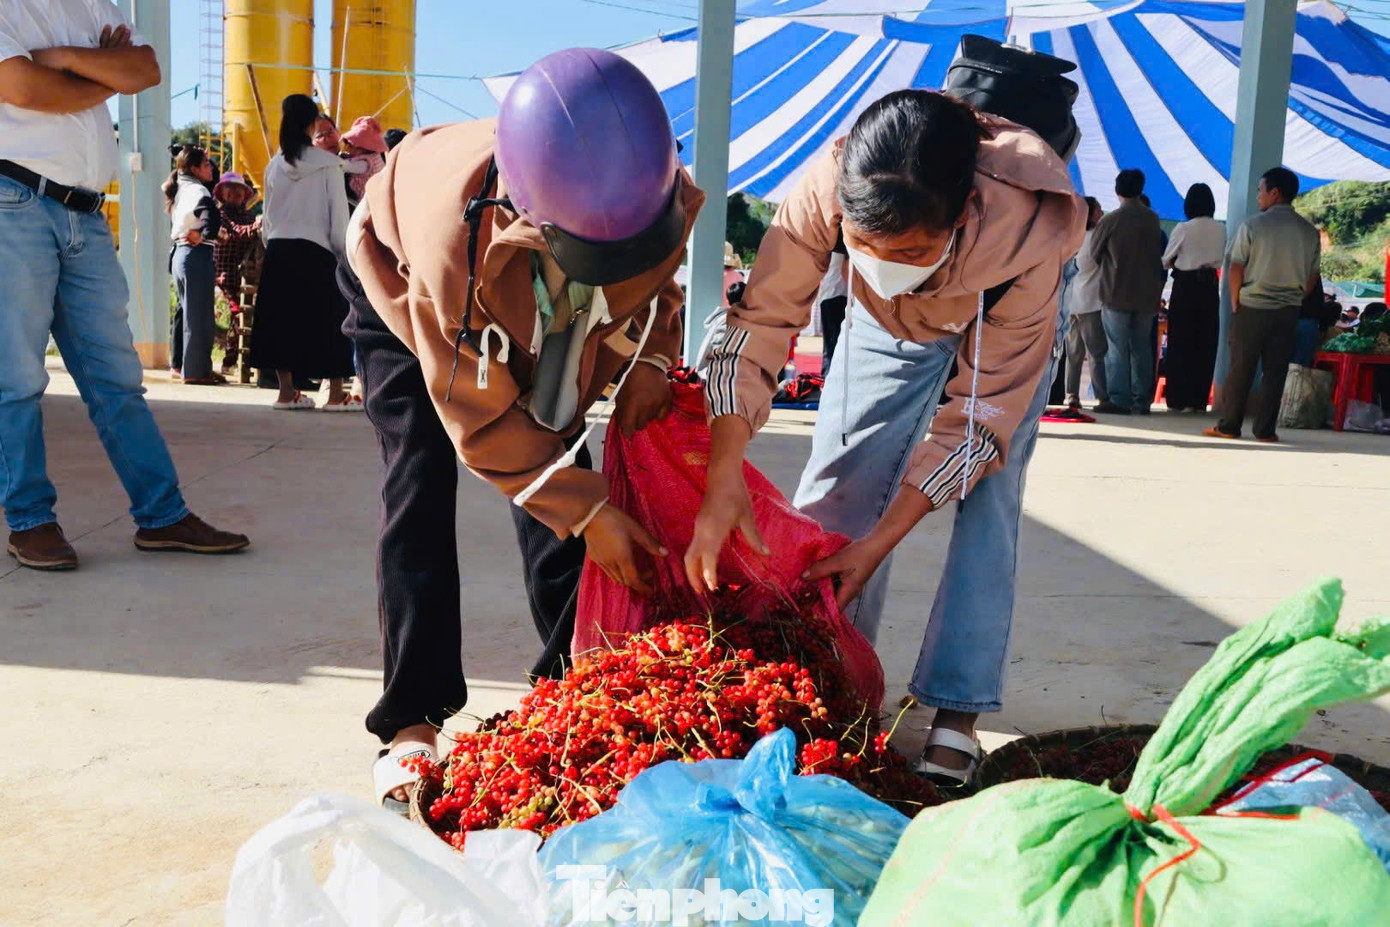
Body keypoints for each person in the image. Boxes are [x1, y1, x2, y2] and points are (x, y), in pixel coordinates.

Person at [689, 90, 1086, 785]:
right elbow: (761, 322)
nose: (883, 263)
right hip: (883, 325)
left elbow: (977, 421)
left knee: (989, 505)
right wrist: (723, 473)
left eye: (909, 251)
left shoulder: (1029, 235)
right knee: (839, 489)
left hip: (998, 317)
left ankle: (957, 710)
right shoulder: (829, 186)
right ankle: (830, 681)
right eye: (863, 244)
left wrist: (881, 542)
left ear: (962, 214)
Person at [341, 48, 702, 809]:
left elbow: (655, 280)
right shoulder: (452, 247)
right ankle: (410, 718)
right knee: (419, 479)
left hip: (536, 289)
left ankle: (571, 683)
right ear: (533, 221)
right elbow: (479, 421)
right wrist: (590, 514)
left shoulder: (647, 183)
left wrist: (650, 360)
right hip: (403, 286)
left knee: (563, 460)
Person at [0, 0, 249, 570]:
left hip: (86, 214)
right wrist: (102, 71)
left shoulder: (90, 4)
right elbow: (22, 87)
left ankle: (162, 516)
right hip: (14, 201)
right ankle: (30, 521)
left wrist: (60, 59)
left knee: (118, 380)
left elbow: (144, 71)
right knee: (15, 379)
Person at [248, 94, 361, 411]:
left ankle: (287, 393)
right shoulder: (328, 165)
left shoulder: (274, 165)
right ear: (312, 124)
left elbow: (267, 217)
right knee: (329, 320)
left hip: (278, 249)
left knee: (281, 321)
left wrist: (273, 246)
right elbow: (338, 214)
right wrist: (342, 252)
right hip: (316, 249)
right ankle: (335, 396)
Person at [1205, 167, 1321, 443]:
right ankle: (1265, 430)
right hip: (1288, 310)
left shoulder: (1253, 225)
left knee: (1241, 368)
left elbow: (1236, 266)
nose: (1258, 196)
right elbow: (1312, 276)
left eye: (1260, 190)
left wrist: (1235, 299)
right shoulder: (1309, 232)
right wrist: (1295, 298)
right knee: (1275, 371)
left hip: (1252, 307)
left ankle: (1229, 426)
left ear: (1274, 193)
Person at [1089, 169, 1166, 414]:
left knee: (1117, 349)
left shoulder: (1111, 220)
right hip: (1146, 296)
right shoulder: (1153, 220)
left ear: (1117, 190)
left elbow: (1094, 253)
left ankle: (1119, 399)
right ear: (1141, 189)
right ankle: (1141, 400)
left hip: (1115, 293)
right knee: (1142, 349)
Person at [164, 145, 225, 386]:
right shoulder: (198, 190)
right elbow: (212, 217)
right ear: (194, 169)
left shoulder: (180, 188)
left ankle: (185, 366)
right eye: (206, 164)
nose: (211, 168)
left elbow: (211, 180)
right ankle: (196, 371)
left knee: (188, 312)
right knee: (199, 316)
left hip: (180, 254)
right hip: (195, 254)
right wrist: (204, 234)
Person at [1162, 183, 1226, 412]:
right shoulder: (1221, 229)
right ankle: (1198, 400)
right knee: (1206, 341)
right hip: (1210, 285)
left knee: (1181, 341)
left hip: (1186, 285)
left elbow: (1166, 259)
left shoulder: (1184, 228)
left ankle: (1179, 398)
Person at [1063, 196, 1107, 409]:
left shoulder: (1071, 237)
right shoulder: (1096, 238)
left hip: (1071, 302)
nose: (1101, 213)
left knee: (1074, 353)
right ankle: (1102, 395)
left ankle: (1072, 394)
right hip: (1091, 302)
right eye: (1098, 210)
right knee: (1096, 352)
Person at [211, 171, 261, 312]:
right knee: (230, 317)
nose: (235, 192)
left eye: (239, 188)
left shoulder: (249, 217)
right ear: (222, 193)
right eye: (230, 188)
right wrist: (257, 226)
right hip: (226, 283)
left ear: (245, 194)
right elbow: (234, 232)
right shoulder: (219, 216)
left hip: (247, 281)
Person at [341, 116, 387, 209]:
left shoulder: (365, 164)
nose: (347, 148)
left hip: (365, 204)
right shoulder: (374, 157)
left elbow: (343, 166)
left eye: (350, 145)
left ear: (361, 148)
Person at [816, 250, 849, 371]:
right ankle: (828, 374)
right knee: (834, 344)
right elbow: (845, 269)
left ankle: (828, 373)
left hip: (830, 296)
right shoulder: (839, 247)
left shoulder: (828, 249)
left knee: (831, 344)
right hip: (836, 296)